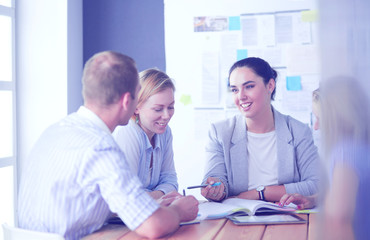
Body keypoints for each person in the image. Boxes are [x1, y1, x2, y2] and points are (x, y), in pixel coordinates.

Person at [17, 51, 198, 240]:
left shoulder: (54, 131)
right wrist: (178, 211)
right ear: (128, 101)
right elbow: (152, 226)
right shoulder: (101, 147)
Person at [201, 57, 320, 202]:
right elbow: (218, 181)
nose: (241, 96)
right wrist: (215, 189)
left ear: (270, 86)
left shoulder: (298, 131)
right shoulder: (220, 133)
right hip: (237, 218)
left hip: (285, 216)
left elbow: (316, 184)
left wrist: (261, 193)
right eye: (234, 90)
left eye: (249, 86)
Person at [280, 77, 370, 239]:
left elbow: (340, 217)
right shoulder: (362, 146)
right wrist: (313, 199)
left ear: (339, 119)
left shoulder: (345, 153)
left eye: (320, 119)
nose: (316, 126)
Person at [113, 68, 177, 200]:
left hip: (146, 211)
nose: (166, 116)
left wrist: (153, 196)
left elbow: (170, 180)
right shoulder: (127, 132)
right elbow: (127, 196)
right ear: (136, 107)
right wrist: (160, 197)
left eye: (170, 107)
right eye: (158, 109)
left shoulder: (165, 133)